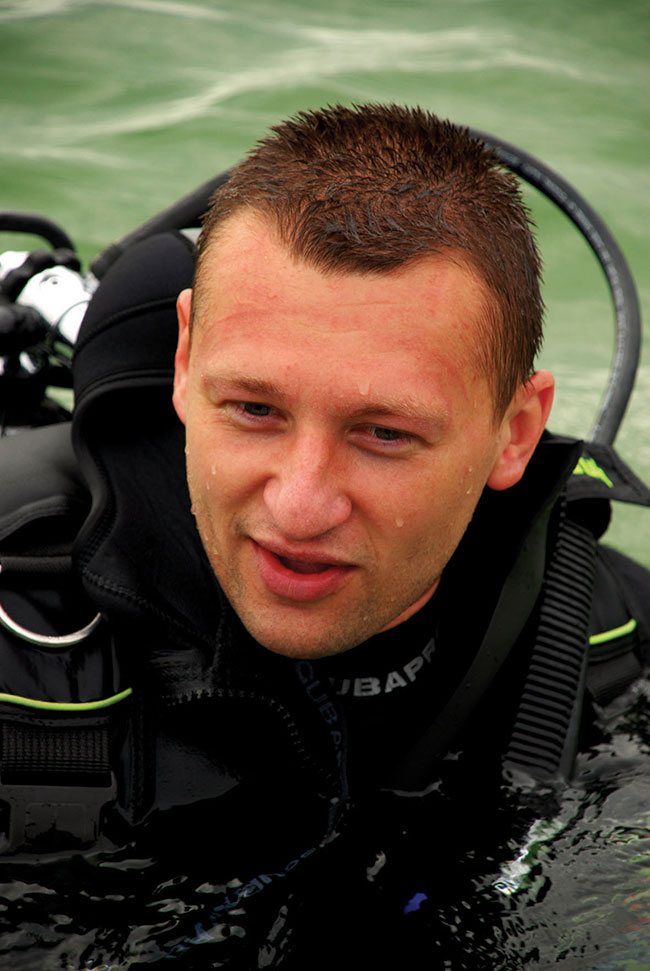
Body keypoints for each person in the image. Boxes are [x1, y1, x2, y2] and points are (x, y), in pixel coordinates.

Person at [0, 103, 648, 966]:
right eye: (254, 409)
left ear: (516, 431)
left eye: (383, 433)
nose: (300, 506)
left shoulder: (607, 646)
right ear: (185, 362)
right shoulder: (19, 639)